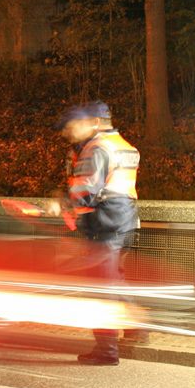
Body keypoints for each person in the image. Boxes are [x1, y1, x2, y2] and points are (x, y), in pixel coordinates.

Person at [56, 100, 140, 366]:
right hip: (124, 220)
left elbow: (85, 190)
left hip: (105, 223)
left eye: (73, 125)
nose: (68, 132)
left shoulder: (96, 148)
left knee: (101, 288)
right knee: (114, 281)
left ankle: (106, 351)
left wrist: (63, 204)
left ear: (93, 123)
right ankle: (136, 326)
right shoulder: (122, 144)